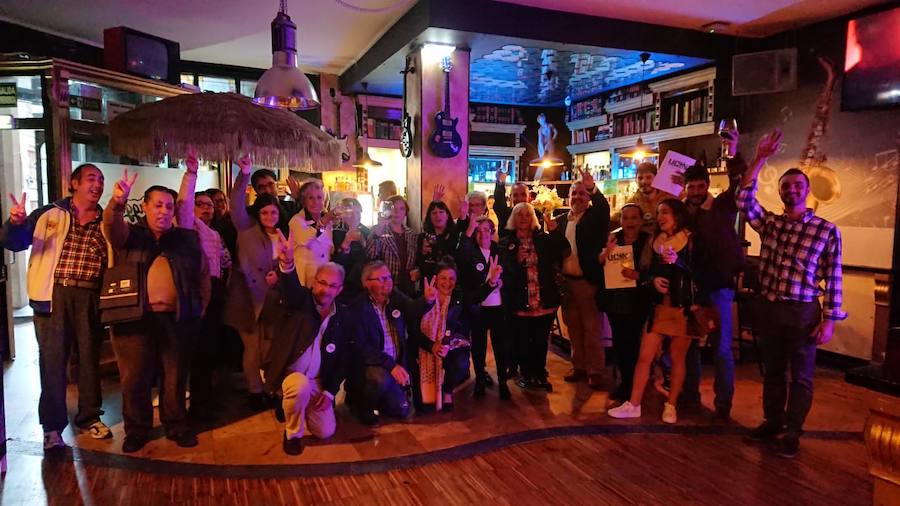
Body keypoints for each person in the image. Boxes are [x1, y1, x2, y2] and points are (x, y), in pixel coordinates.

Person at [739, 129, 846, 458]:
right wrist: (759, 158)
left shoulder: (826, 231)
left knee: (801, 376)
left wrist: (829, 321)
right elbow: (743, 200)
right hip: (770, 309)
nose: (791, 190)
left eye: (797, 185)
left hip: (802, 313)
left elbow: (834, 276)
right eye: (785, 186)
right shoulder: (770, 224)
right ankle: (772, 422)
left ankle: (792, 431)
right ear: (781, 192)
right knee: (772, 372)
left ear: (807, 190)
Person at [103, 154, 209, 452]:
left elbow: (202, 276)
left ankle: (176, 425)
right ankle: (136, 430)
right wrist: (117, 203)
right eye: (157, 206)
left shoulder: (185, 238)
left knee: (175, 377)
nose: (163, 211)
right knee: (134, 378)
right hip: (134, 318)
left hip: (177, 319)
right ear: (145, 208)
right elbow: (111, 227)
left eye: (168, 206)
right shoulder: (130, 235)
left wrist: (201, 308)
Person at [1, 164, 112, 450]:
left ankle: (89, 417)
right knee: (53, 364)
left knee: (89, 360)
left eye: (101, 180)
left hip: (90, 296)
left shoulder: (106, 220)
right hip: (53, 295)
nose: (97, 185)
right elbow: (15, 243)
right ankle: (52, 428)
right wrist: (14, 223)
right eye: (91, 179)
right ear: (73, 183)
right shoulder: (48, 214)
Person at [607, 199, 702, 425]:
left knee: (678, 358)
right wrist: (652, 281)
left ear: (677, 215)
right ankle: (634, 404)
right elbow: (647, 274)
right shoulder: (655, 241)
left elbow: (700, 273)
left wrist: (678, 262)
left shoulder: (690, 241)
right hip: (658, 307)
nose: (660, 217)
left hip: (682, 307)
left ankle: (671, 405)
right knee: (644, 357)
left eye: (666, 212)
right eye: (659, 213)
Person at [260, 249, 351, 455]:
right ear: (314, 282)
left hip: (318, 381)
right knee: (298, 387)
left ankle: (295, 407)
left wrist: (329, 392)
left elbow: (343, 358)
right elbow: (290, 289)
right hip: (292, 376)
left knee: (325, 431)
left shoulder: (343, 316)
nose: (325, 290)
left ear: (340, 289)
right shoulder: (301, 301)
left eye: (332, 286)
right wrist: (288, 263)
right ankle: (293, 433)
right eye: (322, 283)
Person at [678, 157, 746, 419]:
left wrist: (735, 154)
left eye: (699, 186)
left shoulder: (721, 206)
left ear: (707, 185)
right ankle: (690, 395)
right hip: (692, 288)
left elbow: (738, 184)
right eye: (691, 187)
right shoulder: (681, 211)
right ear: (685, 187)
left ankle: (723, 403)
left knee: (721, 347)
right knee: (690, 344)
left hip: (718, 286)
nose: (695, 192)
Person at [225, 156, 285, 411]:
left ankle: (270, 386)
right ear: (257, 213)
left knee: (270, 346)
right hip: (248, 297)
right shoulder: (245, 227)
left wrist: (280, 277)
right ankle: (255, 391)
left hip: (272, 298)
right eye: (264, 212)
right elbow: (236, 201)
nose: (270, 216)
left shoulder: (283, 235)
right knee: (251, 348)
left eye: (273, 211)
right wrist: (244, 172)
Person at [349, 261, 435, 425]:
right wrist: (391, 366)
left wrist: (427, 300)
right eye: (381, 279)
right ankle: (362, 406)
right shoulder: (358, 307)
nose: (387, 282)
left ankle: (382, 397)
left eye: (388, 277)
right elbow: (362, 348)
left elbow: (412, 308)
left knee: (401, 410)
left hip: (394, 364)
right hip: (373, 366)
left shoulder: (394, 296)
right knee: (379, 378)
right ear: (366, 283)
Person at [499, 202, 568, 392]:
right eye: (519, 215)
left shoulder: (543, 239)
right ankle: (526, 373)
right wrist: (516, 260)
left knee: (540, 340)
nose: (523, 219)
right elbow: (503, 272)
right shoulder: (506, 242)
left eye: (527, 215)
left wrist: (555, 232)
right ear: (514, 218)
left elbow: (564, 251)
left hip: (542, 298)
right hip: (520, 300)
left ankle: (539, 372)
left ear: (533, 219)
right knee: (522, 340)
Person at [553, 168, 611, 389]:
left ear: (588, 198)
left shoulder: (594, 217)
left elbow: (604, 207)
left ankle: (595, 370)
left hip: (587, 282)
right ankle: (579, 366)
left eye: (581, 194)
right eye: (573, 194)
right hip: (567, 282)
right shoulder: (560, 221)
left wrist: (592, 188)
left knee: (592, 328)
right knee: (573, 327)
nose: (577, 197)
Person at [417, 260, 501, 410]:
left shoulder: (459, 297)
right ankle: (431, 389)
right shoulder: (425, 296)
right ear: (436, 278)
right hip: (427, 347)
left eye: (451, 279)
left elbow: (477, 296)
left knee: (460, 365)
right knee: (423, 405)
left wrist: (492, 282)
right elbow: (414, 327)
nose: (447, 283)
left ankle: (447, 389)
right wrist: (432, 345)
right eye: (443, 278)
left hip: (452, 344)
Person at [596, 204, 653, 404]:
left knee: (634, 343)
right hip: (615, 298)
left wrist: (637, 275)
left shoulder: (648, 241)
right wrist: (607, 251)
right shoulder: (614, 238)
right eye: (626, 218)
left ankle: (635, 385)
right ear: (620, 220)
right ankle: (625, 383)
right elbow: (600, 262)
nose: (629, 222)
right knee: (620, 343)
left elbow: (654, 272)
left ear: (641, 220)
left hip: (638, 299)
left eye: (634, 218)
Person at [188, 190, 232, 419]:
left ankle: (205, 400)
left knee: (210, 348)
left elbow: (225, 261)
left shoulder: (214, 233)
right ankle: (198, 405)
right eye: (200, 204)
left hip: (215, 291)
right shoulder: (190, 228)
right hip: (196, 292)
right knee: (198, 350)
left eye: (209, 205)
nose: (206, 209)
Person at [457, 216, 511, 399]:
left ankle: (503, 381)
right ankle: (480, 378)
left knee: (500, 345)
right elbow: (460, 255)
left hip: (498, 307)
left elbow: (511, 275)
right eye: (478, 231)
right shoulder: (469, 252)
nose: (483, 234)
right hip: (480, 307)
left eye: (486, 230)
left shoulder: (500, 251)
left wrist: (502, 281)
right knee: (479, 345)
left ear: (492, 231)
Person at [365, 195, 419, 297]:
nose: (397, 212)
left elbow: (417, 261)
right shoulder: (378, 230)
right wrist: (379, 230)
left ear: (406, 213)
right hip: (385, 286)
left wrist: (417, 272)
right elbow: (370, 256)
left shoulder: (412, 235)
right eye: (393, 208)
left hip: (407, 288)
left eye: (401, 209)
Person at [289, 179, 335, 287]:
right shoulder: (296, 220)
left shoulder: (328, 223)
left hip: (324, 280)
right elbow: (309, 240)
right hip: (304, 281)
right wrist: (324, 221)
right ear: (304, 201)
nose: (316, 202)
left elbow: (330, 250)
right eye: (311, 198)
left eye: (319, 197)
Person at [332, 197, 370, 304]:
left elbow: (371, 258)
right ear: (342, 214)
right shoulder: (335, 231)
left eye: (358, 213)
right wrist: (346, 243)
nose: (355, 217)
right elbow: (335, 263)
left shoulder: (366, 231)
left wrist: (364, 244)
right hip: (342, 286)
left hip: (362, 286)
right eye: (350, 213)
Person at [625, 162, 675, 234]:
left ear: (657, 178)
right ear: (636, 180)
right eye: (640, 178)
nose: (644, 182)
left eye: (648, 177)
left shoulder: (668, 198)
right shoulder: (632, 202)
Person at [417, 200, 460, 281]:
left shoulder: (454, 236)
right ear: (430, 217)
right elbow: (419, 263)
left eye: (441, 212)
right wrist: (423, 253)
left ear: (447, 215)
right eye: (434, 213)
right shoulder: (423, 237)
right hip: (429, 283)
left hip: (448, 283)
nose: (438, 216)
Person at [493, 171, 542, 237]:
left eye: (523, 194)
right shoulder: (505, 214)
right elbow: (499, 200)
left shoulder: (537, 214)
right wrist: (500, 183)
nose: (519, 198)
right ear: (511, 197)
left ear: (529, 197)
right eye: (515, 195)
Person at [249, 168, 297, 233]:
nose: (267, 190)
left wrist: (298, 198)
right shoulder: (250, 213)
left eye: (270, 184)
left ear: (277, 185)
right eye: (262, 187)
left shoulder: (292, 207)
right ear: (256, 190)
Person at [206, 187, 237, 258]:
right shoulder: (208, 226)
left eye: (222, 200)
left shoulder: (234, 221)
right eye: (216, 201)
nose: (220, 204)